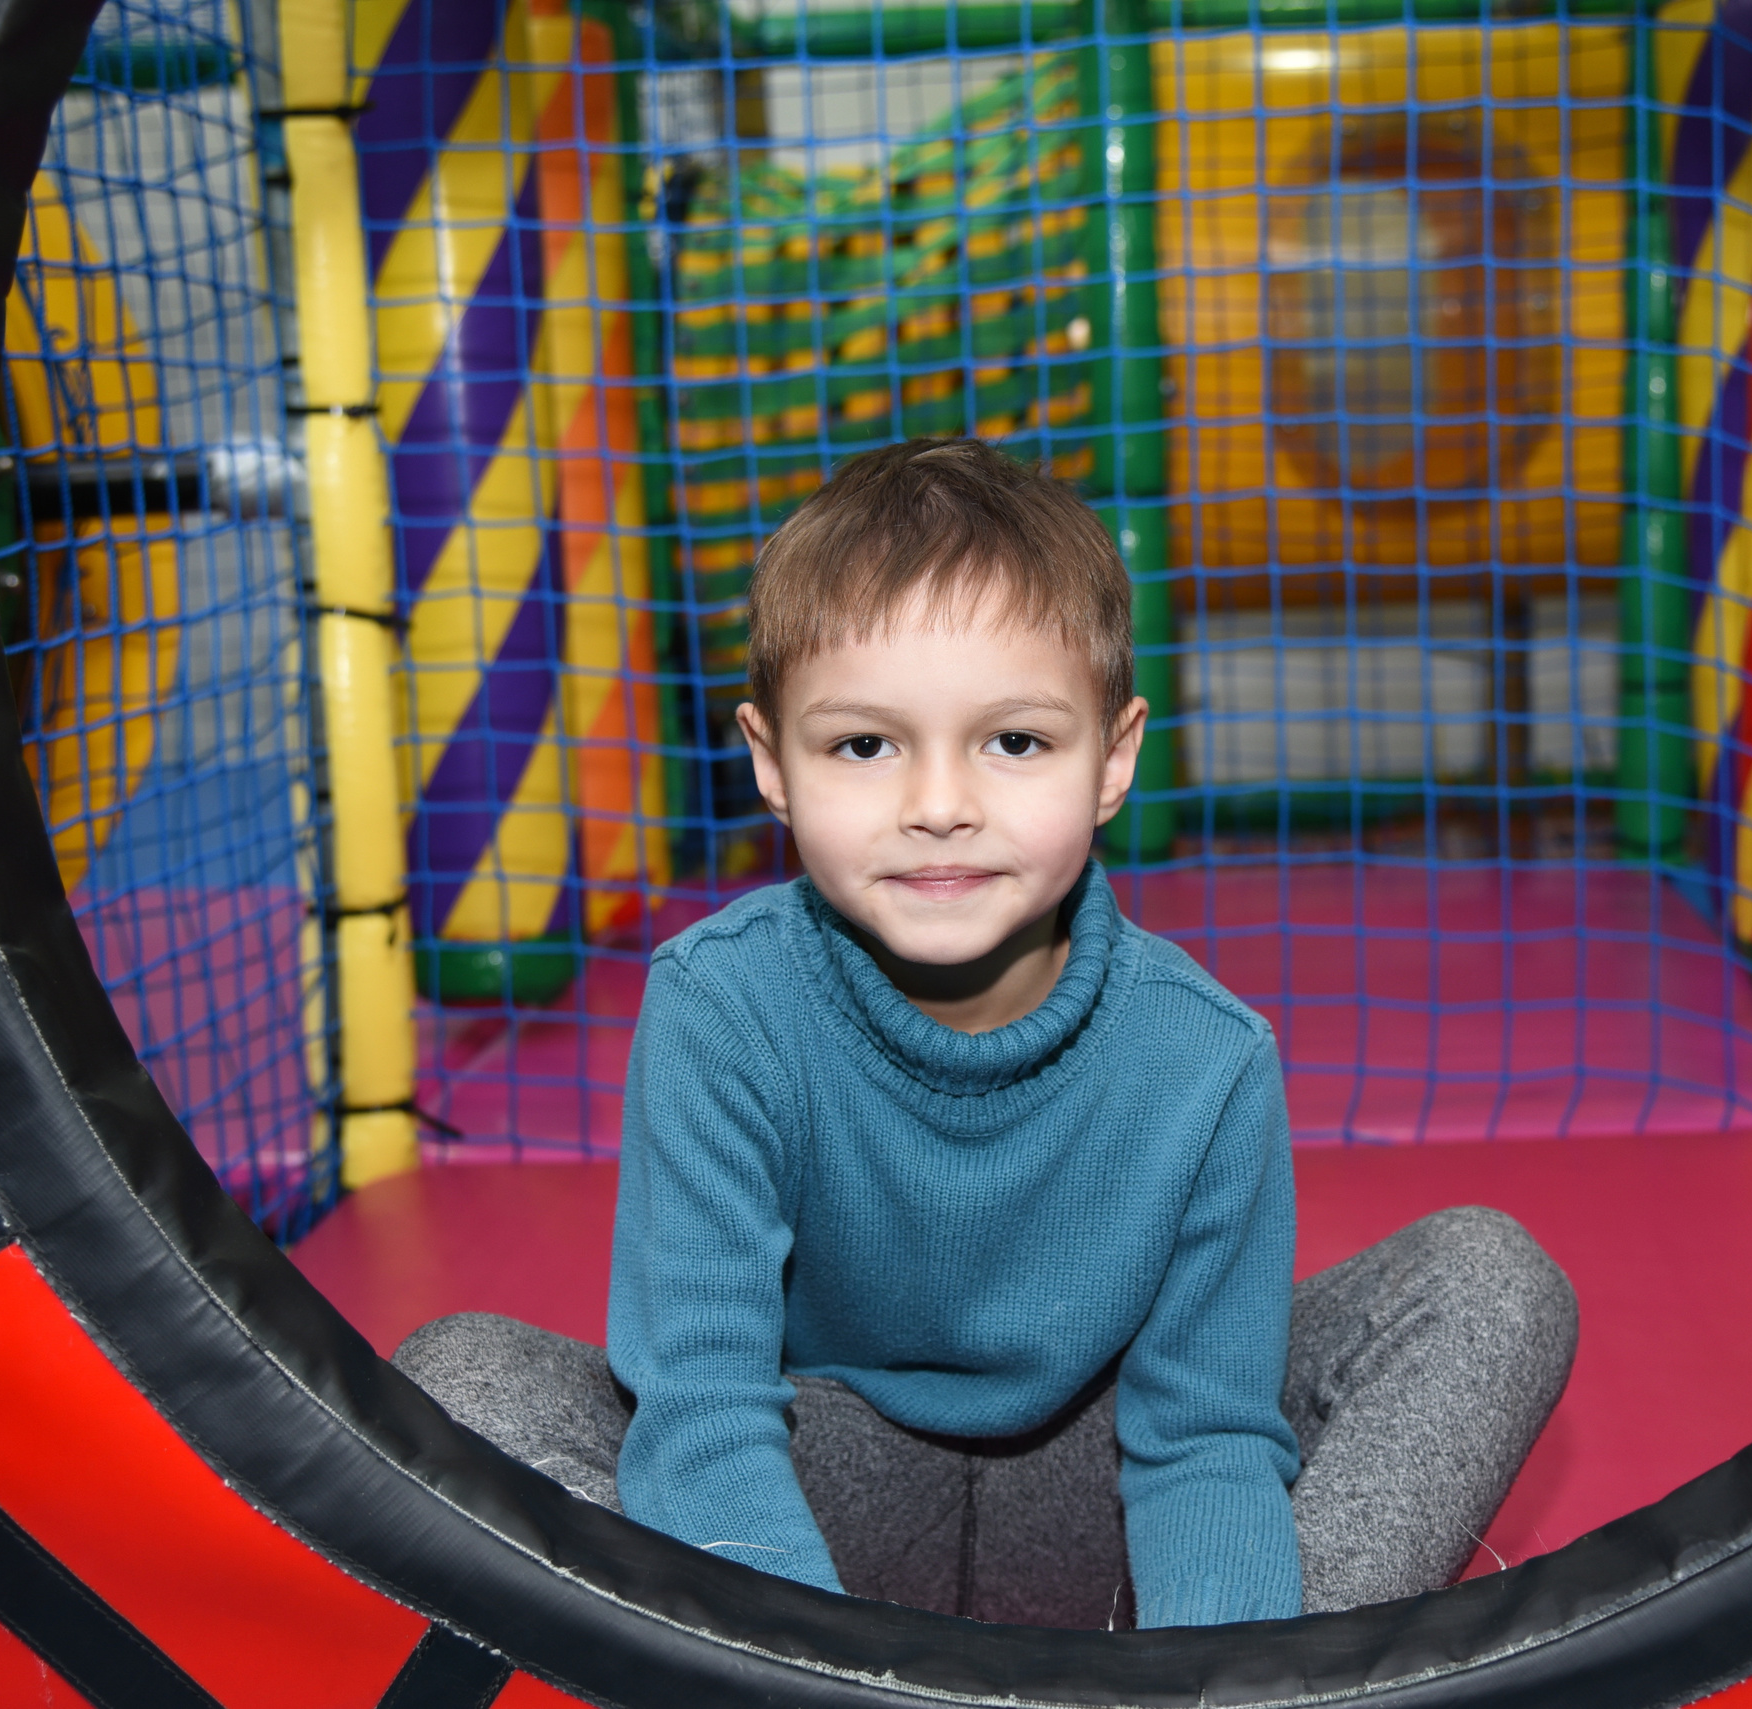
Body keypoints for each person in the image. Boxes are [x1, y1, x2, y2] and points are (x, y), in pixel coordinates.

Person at [395, 438, 1578, 1629]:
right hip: (816, 1508)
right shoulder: (722, 1005)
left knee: (1488, 1282)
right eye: (865, 744)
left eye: (1014, 741)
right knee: (457, 1375)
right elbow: (702, 1405)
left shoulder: (1206, 1058)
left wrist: (1218, 1673)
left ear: (1111, 759)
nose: (940, 805)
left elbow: (1206, 1438)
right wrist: (805, 1672)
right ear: (773, 764)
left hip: (1102, 1509)